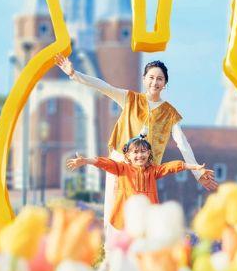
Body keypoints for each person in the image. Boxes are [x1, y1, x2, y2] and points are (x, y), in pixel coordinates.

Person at [54, 55, 218, 239]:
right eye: (151, 77)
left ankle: (140, 252)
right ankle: (111, 256)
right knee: (114, 209)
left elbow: (182, 143)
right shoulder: (130, 98)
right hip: (120, 163)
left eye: (159, 79)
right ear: (144, 79)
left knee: (144, 211)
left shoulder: (169, 112)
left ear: (165, 83)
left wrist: (198, 173)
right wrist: (74, 74)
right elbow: (104, 87)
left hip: (146, 168)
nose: (155, 82)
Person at [66, 135, 209, 230]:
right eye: (135, 152)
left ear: (149, 154)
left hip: (148, 219)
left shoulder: (153, 171)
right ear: (127, 155)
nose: (139, 155)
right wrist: (86, 161)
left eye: (143, 151)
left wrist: (194, 166)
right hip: (126, 219)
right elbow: (104, 163)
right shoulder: (122, 168)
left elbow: (171, 167)